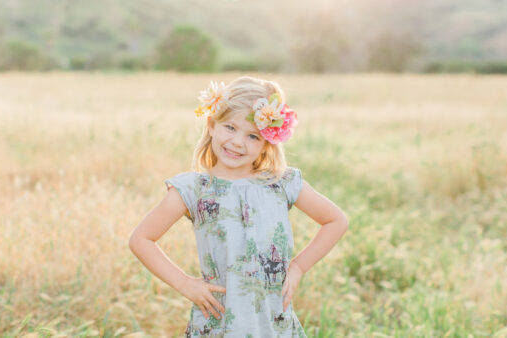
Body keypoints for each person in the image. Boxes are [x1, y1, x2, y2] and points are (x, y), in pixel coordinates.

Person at [129, 76, 349, 337]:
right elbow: (141, 239)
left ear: (268, 142)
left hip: (272, 321)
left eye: (252, 136)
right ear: (211, 125)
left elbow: (336, 220)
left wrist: (298, 267)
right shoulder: (194, 189)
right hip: (220, 321)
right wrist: (185, 284)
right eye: (230, 128)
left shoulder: (282, 183)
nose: (237, 142)